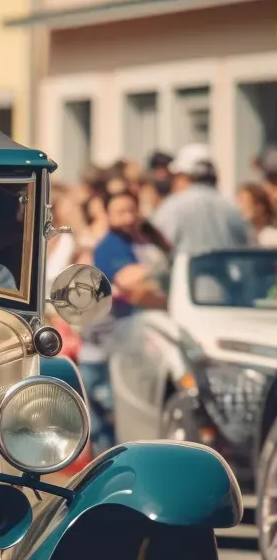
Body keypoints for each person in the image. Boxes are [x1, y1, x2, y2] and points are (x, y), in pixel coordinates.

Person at [79, 190, 170, 455]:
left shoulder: (146, 239)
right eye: (121, 212)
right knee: (106, 405)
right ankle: (107, 460)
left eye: (132, 210)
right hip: (108, 341)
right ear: (108, 215)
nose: (128, 217)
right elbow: (129, 280)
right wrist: (161, 285)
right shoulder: (111, 244)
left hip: (135, 338)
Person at [151, 143, 249, 254]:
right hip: (225, 271)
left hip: (185, 271)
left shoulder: (172, 207)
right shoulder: (232, 206)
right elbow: (244, 245)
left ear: (183, 175)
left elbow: (156, 250)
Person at [236, 182, 277, 247]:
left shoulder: (271, 236)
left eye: (244, 201)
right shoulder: (242, 234)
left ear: (260, 207)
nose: (240, 207)